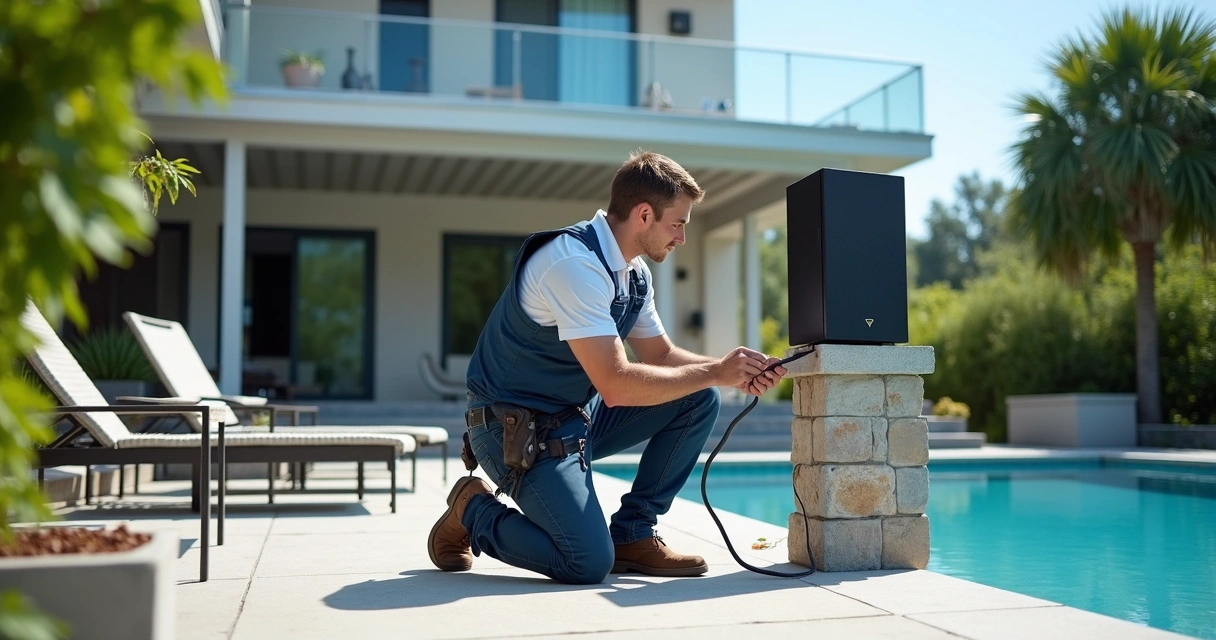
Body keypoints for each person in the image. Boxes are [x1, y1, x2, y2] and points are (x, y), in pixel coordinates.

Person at [427, 151, 787, 585]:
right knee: (585, 562)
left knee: (698, 396)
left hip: (573, 420)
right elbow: (615, 384)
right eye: (678, 223)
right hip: (512, 430)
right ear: (643, 214)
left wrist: (733, 369)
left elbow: (660, 356)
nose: (682, 238)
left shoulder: (633, 274)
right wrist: (716, 372)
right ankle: (473, 508)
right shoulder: (573, 264)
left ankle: (633, 535)